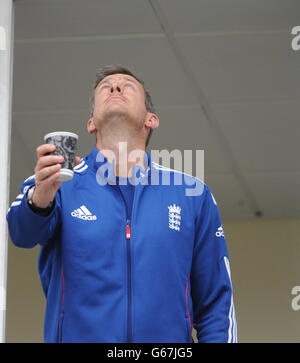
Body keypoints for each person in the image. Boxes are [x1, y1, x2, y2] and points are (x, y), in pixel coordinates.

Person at [6, 65, 237, 343]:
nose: (115, 87)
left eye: (127, 85)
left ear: (151, 119)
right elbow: (21, 234)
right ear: (91, 123)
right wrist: (41, 196)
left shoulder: (193, 194)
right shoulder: (56, 182)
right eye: (106, 87)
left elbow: (216, 307)